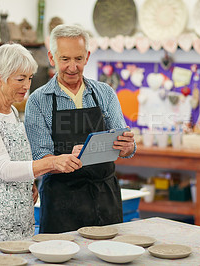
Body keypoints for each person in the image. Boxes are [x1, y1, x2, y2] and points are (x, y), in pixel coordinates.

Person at [0, 43, 82, 246]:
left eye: (29, 78)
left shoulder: (12, 113)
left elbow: (18, 159)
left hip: (20, 220)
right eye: (20, 79)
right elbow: (4, 168)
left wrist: (30, 183)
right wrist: (52, 163)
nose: (27, 86)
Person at [24, 24, 136, 233]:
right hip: (61, 201)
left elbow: (125, 144)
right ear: (52, 58)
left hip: (105, 196)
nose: (72, 67)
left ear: (87, 57)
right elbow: (40, 156)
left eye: (78, 59)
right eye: (65, 59)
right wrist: (62, 159)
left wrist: (128, 147)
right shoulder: (38, 101)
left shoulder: (105, 93)